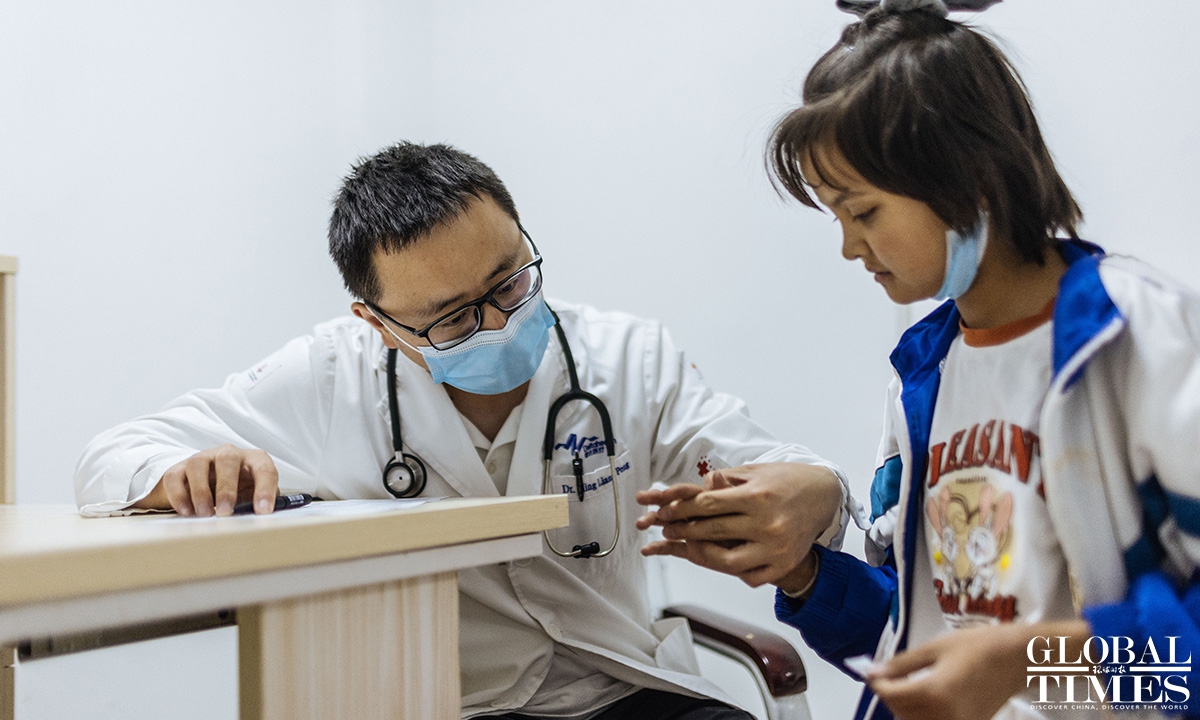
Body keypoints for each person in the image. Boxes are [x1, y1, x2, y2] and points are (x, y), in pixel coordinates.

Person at [75, 141, 852, 719]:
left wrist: (813, 490)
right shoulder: (324, 379)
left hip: (624, 687)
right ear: (378, 323)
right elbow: (112, 455)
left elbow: (767, 466)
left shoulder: (627, 356)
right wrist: (180, 472)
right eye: (451, 318)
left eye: (509, 281)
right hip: (454, 703)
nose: (500, 325)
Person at [636, 2, 1200, 719]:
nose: (849, 247)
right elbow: (913, 633)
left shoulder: (1137, 339)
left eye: (863, 213)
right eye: (837, 218)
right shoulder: (925, 375)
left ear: (967, 182)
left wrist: (1025, 662)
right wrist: (802, 572)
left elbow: (1183, 668)